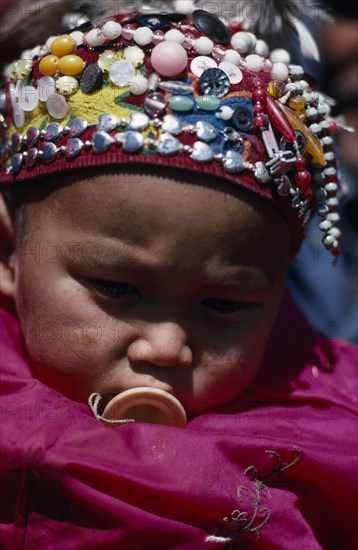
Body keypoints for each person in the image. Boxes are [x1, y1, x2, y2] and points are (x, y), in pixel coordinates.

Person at [0, 1, 357, 548]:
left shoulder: (329, 440)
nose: (166, 349)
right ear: (8, 255)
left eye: (225, 304)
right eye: (117, 288)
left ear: (278, 286)